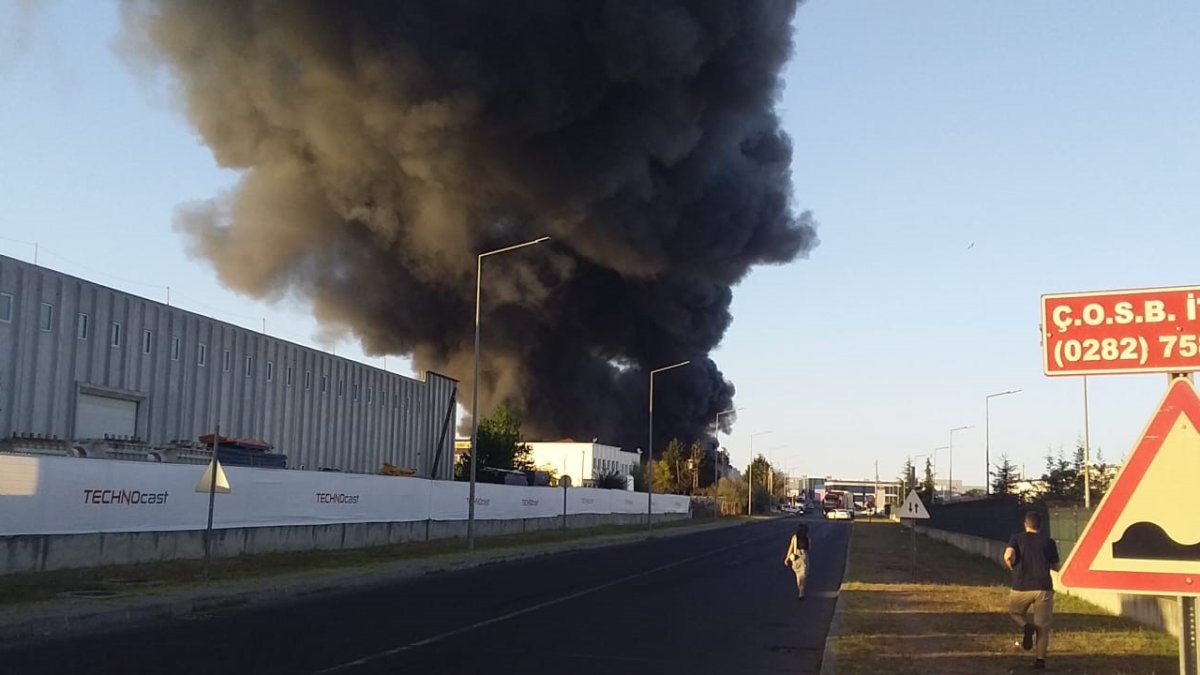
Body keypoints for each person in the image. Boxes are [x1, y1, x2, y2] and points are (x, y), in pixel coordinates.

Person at [1004, 511, 1061, 671]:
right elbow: (1056, 566)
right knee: (1042, 626)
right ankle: (1040, 660)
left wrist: (1012, 566)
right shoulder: (1048, 542)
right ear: (1040, 526)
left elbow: (1008, 555)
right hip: (1043, 588)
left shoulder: (1016, 538)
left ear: (1025, 524)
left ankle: (1025, 626)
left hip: (1021, 586)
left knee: (1014, 612)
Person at [783, 522, 810, 599]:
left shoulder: (794, 538)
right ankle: (801, 591)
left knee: (798, 576)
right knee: (803, 576)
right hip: (804, 558)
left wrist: (787, 558)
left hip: (796, 558)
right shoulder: (807, 538)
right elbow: (809, 549)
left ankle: (800, 589)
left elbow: (790, 548)